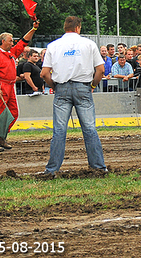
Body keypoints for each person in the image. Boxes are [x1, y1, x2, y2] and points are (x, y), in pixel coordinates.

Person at [40, 16, 106, 174]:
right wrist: (93, 85)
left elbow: (44, 73)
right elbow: (101, 70)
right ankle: (98, 167)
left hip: (61, 87)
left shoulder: (53, 46)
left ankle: (51, 170)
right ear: (78, 28)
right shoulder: (89, 44)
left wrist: (54, 86)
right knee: (89, 128)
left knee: (59, 130)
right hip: (83, 87)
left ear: (65, 28)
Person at [0, 21, 39, 152]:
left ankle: (1, 137)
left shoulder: (11, 53)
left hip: (11, 86)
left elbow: (23, 42)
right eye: (10, 41)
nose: (12, 43)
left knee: (14, 113)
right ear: (3, 41)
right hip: (1, 85)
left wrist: (33, 28)